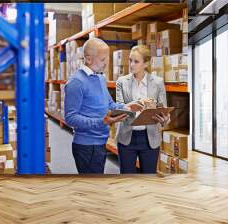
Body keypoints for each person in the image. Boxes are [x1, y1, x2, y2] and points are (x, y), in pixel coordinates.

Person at [64, 38, 143, 174]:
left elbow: (110, 104)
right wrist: (101, 122)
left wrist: (129, 107)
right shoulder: (76, 82)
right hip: (86, 145)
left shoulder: (100, 78)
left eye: (107, 59)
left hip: (100, 141)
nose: (106, 63)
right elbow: (70, 118)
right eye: (102, 60)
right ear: (88, 59)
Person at [115, 45, 170, 174]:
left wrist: (165, 119)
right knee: (127, 179)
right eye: (130, 60)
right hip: (126, 137)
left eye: (136, 61)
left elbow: (163, 110)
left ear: (146, 63)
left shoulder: (157, 82)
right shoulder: (121, 82)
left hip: (150, 139)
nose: (131, 65)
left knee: (148, 179)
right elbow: (119, 109)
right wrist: (138, 103)